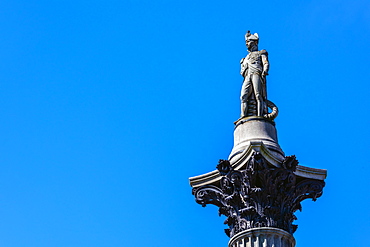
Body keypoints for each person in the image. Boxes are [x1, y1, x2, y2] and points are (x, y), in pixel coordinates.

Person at [240, 31, 269, 118]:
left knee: (258, 95)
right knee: (243, 96)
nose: (247, 43)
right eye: (246, 42)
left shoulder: (261, 53)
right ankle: (243, 116)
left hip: (256, 73)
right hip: (248, 76)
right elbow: (242, 72)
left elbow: (265, 63)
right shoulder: (245, 58)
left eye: (249, 41)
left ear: (255, 42)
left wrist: (265, 70)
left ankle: (260, 115)